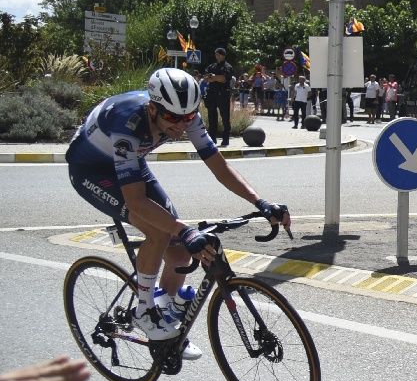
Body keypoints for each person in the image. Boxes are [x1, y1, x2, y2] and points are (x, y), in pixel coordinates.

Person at [65, 67, 291, 347]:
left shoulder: (187, 117)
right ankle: (144, 311)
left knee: (182, 252)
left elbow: (219, 167)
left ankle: (167, 312)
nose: (181, 125)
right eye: (172, 117)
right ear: (152, 108)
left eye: (187, 117)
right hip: (91, 170)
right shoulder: (128, 124)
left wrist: (260, 201)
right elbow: (136, 202)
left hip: (132, 164)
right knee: (160, 232)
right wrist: (182, 229)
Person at [202, 47, 235, 147]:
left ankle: (226, 139)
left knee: (225, 118)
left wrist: (214, 77)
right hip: (212, 94)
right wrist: (214, 77)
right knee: (212, 118)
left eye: (218, 54)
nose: (217, 56)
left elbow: (223, 79)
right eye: (216, 54)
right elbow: (206, 78)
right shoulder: (212, 66)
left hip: (223, 95)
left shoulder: (227, 67)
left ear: (223, 55)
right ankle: (212, 139)